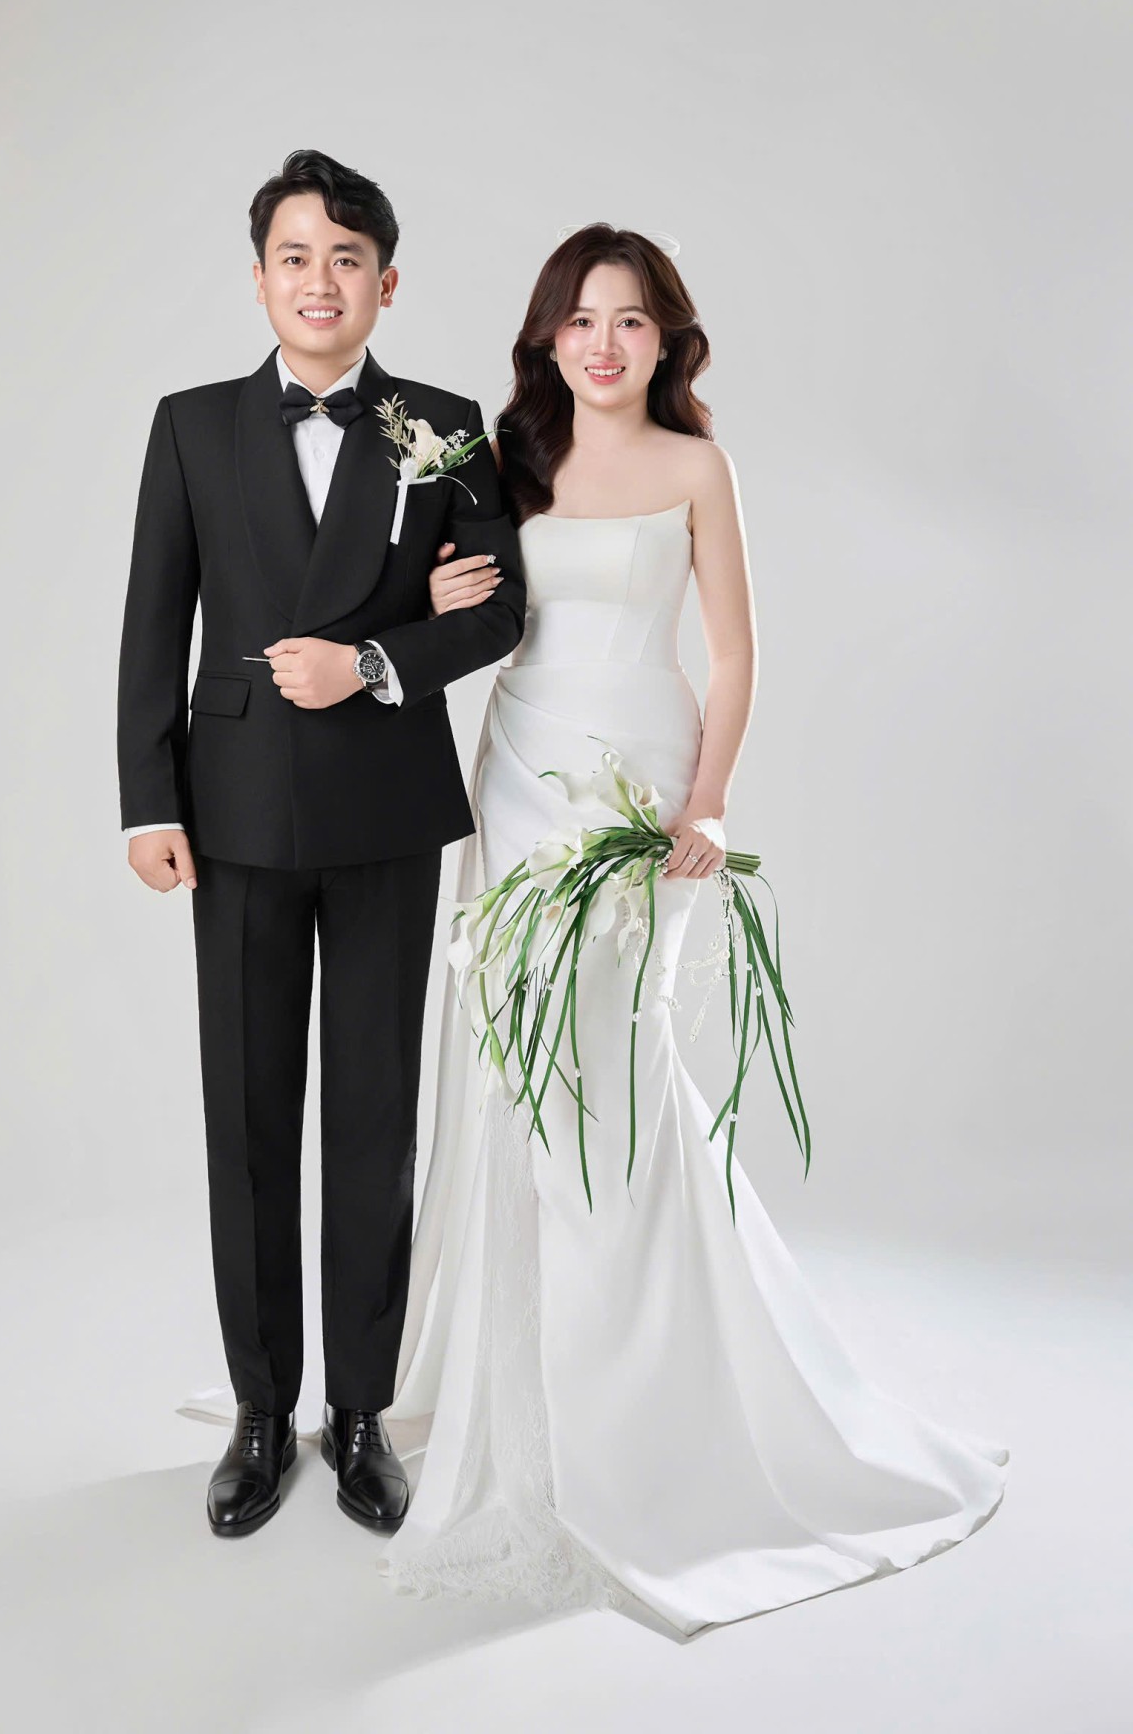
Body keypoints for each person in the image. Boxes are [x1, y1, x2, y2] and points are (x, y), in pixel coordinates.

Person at [380, 224, 1009, 1634]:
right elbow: (463, 620)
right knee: (515, 1075)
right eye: (578, 320)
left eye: (629, 321)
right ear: (546, 338)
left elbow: (733, 650)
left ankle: (662, 1405)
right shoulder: (505, 461)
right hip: (519, 776)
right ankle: (519, 1406)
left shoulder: (695, 469)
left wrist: (709, 800)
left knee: (624, 1076)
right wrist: (430, 599)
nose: (602, 344)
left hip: (643, 781)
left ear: (666, 338)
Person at [116, 149, 526, 1538]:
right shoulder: (193, 425)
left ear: (386, 284)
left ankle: (359, 1414)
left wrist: (377, 658)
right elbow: (153, 619)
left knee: (370, 1117)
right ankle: (259, 1410)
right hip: (231, 810)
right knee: (245, 1122)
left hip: (384, 811)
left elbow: (498, 610)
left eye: (347, 259)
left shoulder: (442, 428)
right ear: (260, 279)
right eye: (296, 257)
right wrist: (149, 800)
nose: (320, 281)